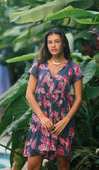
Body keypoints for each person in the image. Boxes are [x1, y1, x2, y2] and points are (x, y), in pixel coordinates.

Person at [23, 28, 84, 170]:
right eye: (50, 42)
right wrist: (42, 117)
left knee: (63, 165)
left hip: (63, 123)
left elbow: (79, 98)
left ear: (63, 44)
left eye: (57, 41)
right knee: (32, 165)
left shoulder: (73, 68)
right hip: (41, 122)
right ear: (46, 45)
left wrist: (66, 121)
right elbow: (29, 94)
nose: (53, 45)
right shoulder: (38, 66)